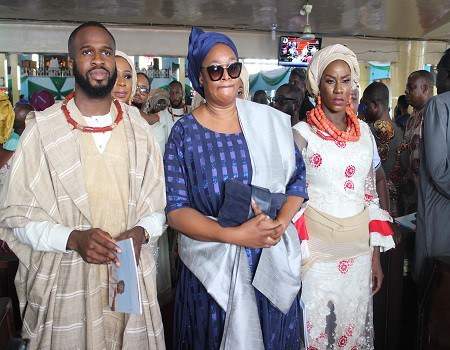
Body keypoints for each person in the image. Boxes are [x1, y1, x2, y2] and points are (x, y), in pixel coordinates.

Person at [0, 21, 166, 350]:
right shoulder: (42, 131)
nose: (98, 60)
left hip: (127, 281)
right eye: (87, 52)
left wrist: (141, 232)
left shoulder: (137, 128)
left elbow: (158, 209)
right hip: (65, 287)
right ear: (71, 61)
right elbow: (16, 221)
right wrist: (74, 239)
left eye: (105, 51)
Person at [165, 27, 308, 350]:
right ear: (199, 77)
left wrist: (280, 224)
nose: (226, 76)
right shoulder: (184, 134)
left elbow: (297, 179)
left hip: (268, 263)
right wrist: (234, 236)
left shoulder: (265, 121)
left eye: (233, 67)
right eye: (215, 70)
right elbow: (175, 210)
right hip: (212, 268)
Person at [292, 44, 395, 349]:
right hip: (316, 255)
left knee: (352, 331)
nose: (339, 89)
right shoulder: (301, 134)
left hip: (358, 253)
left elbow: (370, 194)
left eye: (346, 80)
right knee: (315, 334)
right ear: (317, 86)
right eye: (330, 80)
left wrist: (375, 256)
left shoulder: (364, 132)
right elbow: (291, 198)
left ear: (354, 85)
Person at [415, 49, 450, 282]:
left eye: (437, 71)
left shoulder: (438, 105)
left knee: (433, 285)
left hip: (440, 210)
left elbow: (438, 171)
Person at [360, 81, 403, 216]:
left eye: (364, 105)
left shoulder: (370, 130)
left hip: (379, 198)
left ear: (374, 106)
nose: (362, 109)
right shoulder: (399, 129)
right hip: (398, 197)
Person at [400, 70, 434, 214]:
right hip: (411, 190)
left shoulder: (434, 114)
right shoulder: (412, 117)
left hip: (429, 192)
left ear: (425, 88)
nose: (406, 91)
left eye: (411, 87)